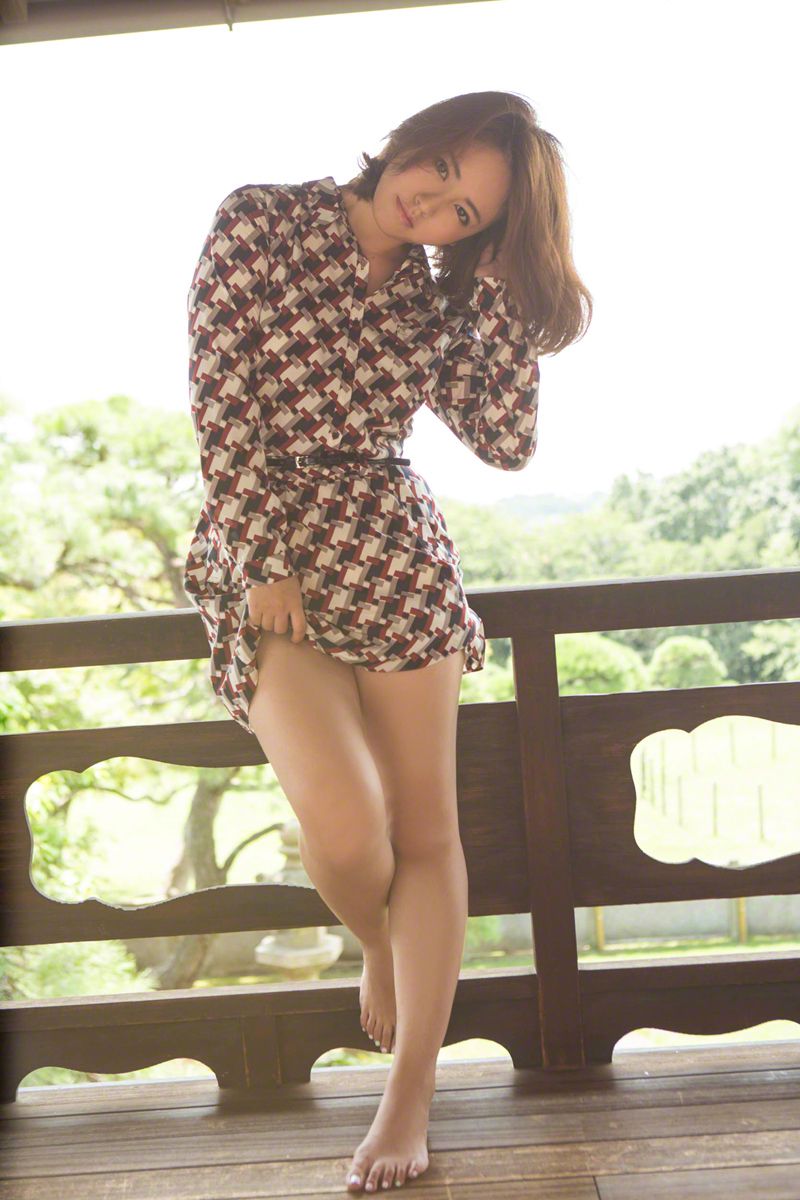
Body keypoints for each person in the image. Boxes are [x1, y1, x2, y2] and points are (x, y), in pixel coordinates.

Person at [183, 89, 592, 1193]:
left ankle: (410, 1092)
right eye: (442, 172)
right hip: (272, 554)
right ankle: (379, 941)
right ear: (417, 138)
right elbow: (221, 403)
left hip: (392, 550)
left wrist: (497, 293)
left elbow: (505, 439)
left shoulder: (435, 297)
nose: (434, 207)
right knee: (346, 822)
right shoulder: (261, 220)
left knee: (425, 829)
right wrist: (262, 558)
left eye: (467, 215)